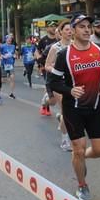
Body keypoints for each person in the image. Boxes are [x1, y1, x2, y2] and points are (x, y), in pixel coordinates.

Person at [48, 14, 100, 200]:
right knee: (79, 149)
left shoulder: (99, 50)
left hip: (94, 107)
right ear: (73, 30)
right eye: (81, 26)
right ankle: (82, 186)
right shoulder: (63, 55)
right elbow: (53, 81)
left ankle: (80, 160)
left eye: (88, 26)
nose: (86, 30)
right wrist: (69, 90)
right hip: (73, 108)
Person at [45, 20, 74, 151]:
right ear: (61, 32)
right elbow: (47, 65)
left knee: (71, 111)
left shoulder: (75, 46)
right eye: (67, 29)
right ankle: (64, 140)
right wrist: (57, 71)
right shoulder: (55, 47)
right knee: (66, 111)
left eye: (71, 29)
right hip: (58, 82)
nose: (69, 32)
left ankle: (60, 118)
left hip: (72, 83)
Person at [36, 20, 59, 115]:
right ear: (47, 28)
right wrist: (40, 64)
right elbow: (37, 52)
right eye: (51, 26)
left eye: (55, 26)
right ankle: (46, 106)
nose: (53, 28)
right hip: (47, 67)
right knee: (48, 86)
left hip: (58, 67)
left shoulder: (58, 40)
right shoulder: (43, 40)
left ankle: (47, 104)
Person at [0, 34, 17, 99]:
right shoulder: (2, 46)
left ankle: (11, 93)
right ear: (6, 39)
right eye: (8, 38)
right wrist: (3, 56)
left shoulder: (13, 46)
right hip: (4, 64)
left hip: (11, 64)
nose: (10, 39)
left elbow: (14, 53)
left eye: (10, 38)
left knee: (12, 78)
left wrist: (14, 55)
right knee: (3, 80)